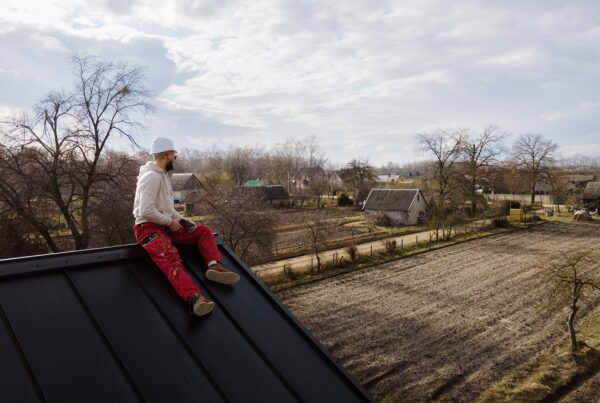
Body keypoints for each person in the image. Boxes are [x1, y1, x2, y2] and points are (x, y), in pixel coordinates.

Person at [132, 137, 239, 317]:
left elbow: (167, 210)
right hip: (148, 229)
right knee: (171, 259)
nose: (174, 159)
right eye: (174, 156)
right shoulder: (151, 177)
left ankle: (213, 266)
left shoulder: (163, 177)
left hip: (165, 226)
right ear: (167, 155)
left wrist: (183, 221)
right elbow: (146, 211)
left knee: (203, 231)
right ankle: (195, 299)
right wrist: (170, 223)